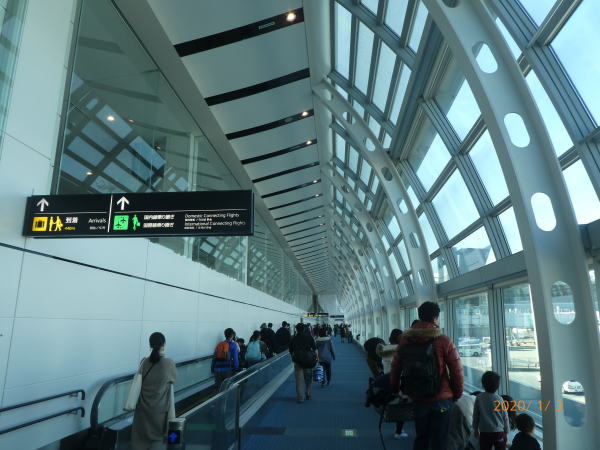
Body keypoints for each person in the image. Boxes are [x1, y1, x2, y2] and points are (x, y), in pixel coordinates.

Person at [391, 301, 464, 450]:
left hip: (417, 397)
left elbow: (396, 366)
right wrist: (456, 394)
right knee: (440, 439)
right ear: (435, 318)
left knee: (421, 436)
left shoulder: (405, 339)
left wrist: (395, 389)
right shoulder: (443, 340)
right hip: (442, 401)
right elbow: (456, 371)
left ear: (420, 316)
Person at [131, 332, 177, 450]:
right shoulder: (168, 363)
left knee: (140, 441)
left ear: (150, 345)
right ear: (164, 344)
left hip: (142, 410)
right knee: (158, 441)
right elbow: (174, 379)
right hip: (159, 412)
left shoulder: (144, 362)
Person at [377, 329, 406, 439]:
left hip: (387, 381)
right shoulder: (401, 351)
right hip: (399, 381)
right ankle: (399, 431)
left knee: (392, 403)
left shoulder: (384, 349)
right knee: (401, 406)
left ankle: (395, 426)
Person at [473, 371, 509, 450]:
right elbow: (505, 416)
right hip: (498, 432)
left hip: (484, 431)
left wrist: (475, 429)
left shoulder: (479, 398)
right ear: (497, 386)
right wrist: (506, 431)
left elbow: (476, 415)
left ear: (483, 385)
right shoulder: (499, 399)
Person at [289, 323, 318, 403]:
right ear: (304, 329)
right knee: (308, 378)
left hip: (298, 361)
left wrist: (294, 358)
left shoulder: (293, 338)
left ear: (296, 329)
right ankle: (308, 393)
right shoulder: (309, 337)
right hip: (308, 360)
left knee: (299, 380)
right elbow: (315, 349)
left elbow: (291, 350)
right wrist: (317, 358)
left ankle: (300, 398)